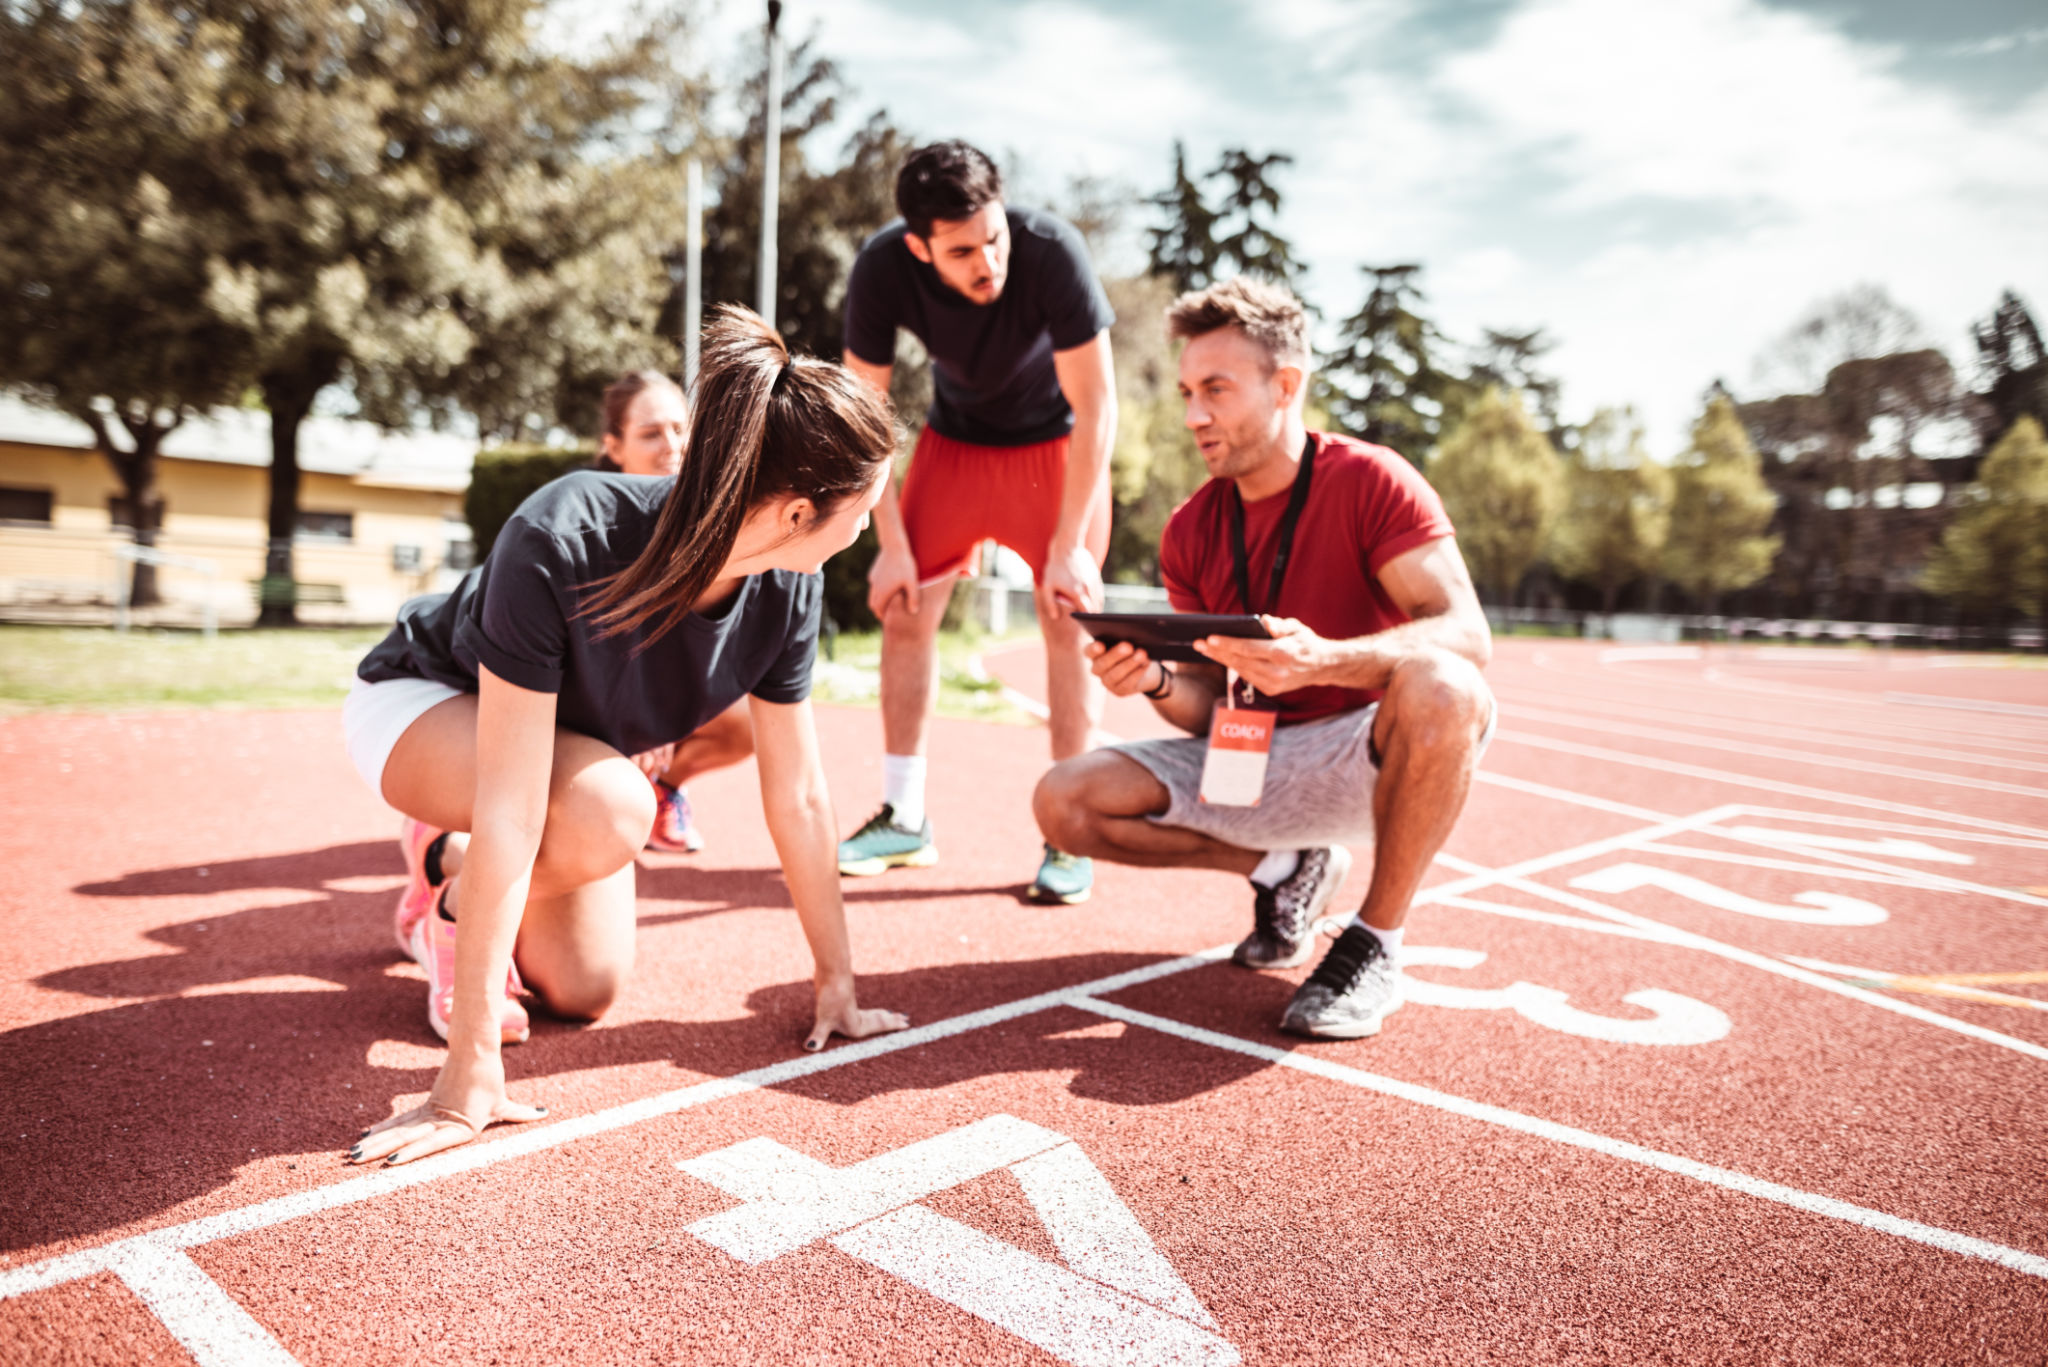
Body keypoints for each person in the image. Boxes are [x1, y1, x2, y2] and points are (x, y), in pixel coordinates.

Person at [340, 308, 908, 1167]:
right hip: (427, 700)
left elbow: (799, 795)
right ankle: (445, 865)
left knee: (585, 987)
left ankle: (446, 884)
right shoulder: (563, 534)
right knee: (614, 808)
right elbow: (511, 804)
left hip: (565, 743)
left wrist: (838, 985)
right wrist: (467, 1080)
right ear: (796, 511)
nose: (869, 525)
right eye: (865, 506)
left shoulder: (791, 588)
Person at [1032, 278, 1495, 1039]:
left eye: (1215, 388)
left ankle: (1375, 941)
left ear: (1286, 385)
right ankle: (1287, 869)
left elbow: (1467, 633)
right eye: (1187, 391)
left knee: (1448, 686)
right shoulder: (1190, 529)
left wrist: (1325, 661)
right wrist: (1152, 679)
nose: (1193, 415)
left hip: (1363, 754)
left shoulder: (1373, 481)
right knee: (1063, 799)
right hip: (1248, 753)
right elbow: (1209, 704)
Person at [835, 140, 1118, 905]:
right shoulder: (881, 268)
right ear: (921, 247)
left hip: (1056, 448)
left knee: (1069, 616)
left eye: (993, 237)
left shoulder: (1052, 249)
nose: (987, 259)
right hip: (955, 446)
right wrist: (889, 546)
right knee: (903, 609)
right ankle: (905, 815)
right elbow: (867, 416)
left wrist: (1067, 548)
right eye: (962, 250)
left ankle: (1070, 829)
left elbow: (1098, 406)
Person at [593, 368, 755, 854]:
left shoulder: (711, 525)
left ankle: (664, 787)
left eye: (681, 429)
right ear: (614, 447)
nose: (671, 444)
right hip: (582, 703)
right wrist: (636, 716)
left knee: (750, 723)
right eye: (650, 433)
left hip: (655, 696)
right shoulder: (587, 528)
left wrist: (659, 712)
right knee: (593, 826)